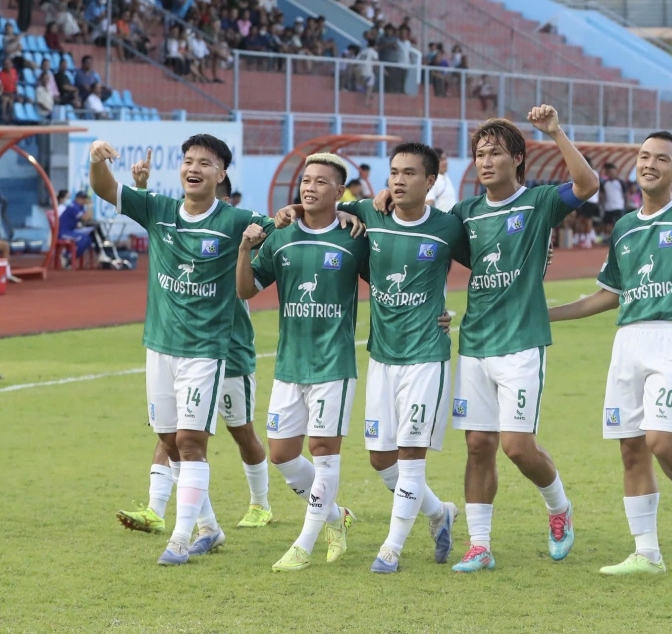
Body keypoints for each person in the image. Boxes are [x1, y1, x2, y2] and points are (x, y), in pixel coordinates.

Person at [376, 106, 598, 572]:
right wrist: (386, 198)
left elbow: (586, 184)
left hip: (521, 341)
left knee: (517, 446)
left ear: (517, 159)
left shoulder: (538, 203)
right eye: (479, 154)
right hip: (474, 342)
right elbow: (427, 243)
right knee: (478, 444)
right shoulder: (464, 213)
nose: (486, 161)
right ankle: (479, 545)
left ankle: (559, 507)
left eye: (495, 153)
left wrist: (555, 132)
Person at [547, 130, 672, 575]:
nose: (649, 164)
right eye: (644, 156)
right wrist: (547, 315)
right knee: (631, 449)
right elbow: (609, 295)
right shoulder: (623, 226)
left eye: (661, 158)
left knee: (661, 441)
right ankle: (647, 554)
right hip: (628, 342)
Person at [88, 134, 276, 565]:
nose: (194, 168)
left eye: (205, 163)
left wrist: (300, 217)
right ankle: (209, 528)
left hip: (206, 350)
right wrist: (96, 159)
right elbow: (105, 187)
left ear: (221, 173)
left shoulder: (237, 219)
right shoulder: (159, 209)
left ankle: (179, 538)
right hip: (159, 346)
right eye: (189, 161)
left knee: (192, 441)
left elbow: (285, 228)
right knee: (169, 441)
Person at [236, 153, 368, 572]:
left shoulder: (354, 236)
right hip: (289, 365)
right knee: (281, 456)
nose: (310, 187)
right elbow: (246, 290)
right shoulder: (282, 234)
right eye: (306, 181)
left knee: (323, 451)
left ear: (339, 191)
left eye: (321, 182)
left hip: (334, 364)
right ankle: (335, 516)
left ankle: (304, 544)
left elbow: (389, 274)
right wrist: (245, 249)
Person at [339, 143, 466, 573]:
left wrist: (458, 314)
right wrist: (292, 212)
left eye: (409, 173)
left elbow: (488, 266)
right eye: (394, 172)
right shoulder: (370, 214)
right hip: (382, 356)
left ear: (431, 181)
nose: (398, 180)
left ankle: (390, 550)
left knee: (411, 456)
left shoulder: (448, 227)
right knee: (381, 459)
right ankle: (439, 513)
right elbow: (324, 210)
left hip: (426, 356)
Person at [425, 148, 457, 213]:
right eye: (442, 160)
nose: (445, 162)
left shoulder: (445, 177)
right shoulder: (433, 180)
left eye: (445, 159)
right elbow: (428, 202)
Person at [600, 162, 627, 236]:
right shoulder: (604, 183)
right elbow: (602, 195)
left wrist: (625, 205)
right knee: (607, 225)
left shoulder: (621, 182)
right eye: (609, 172)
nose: (611, 174)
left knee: (620, 226)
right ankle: (608, 238)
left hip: (619, 207)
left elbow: (625, 195)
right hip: (608, 208)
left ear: (615, 172)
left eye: (612, 172)